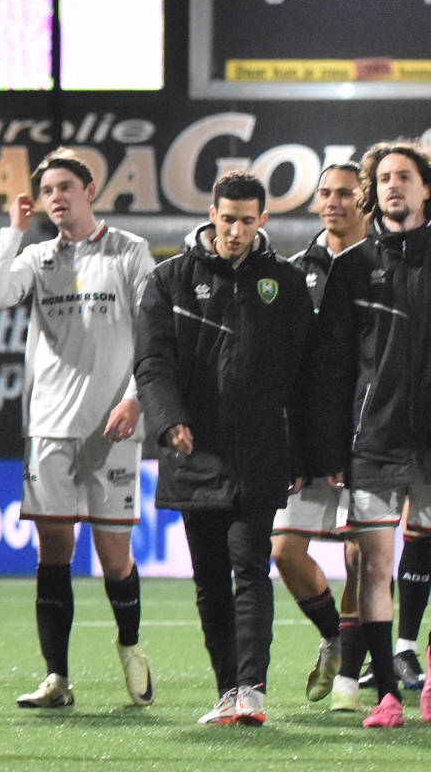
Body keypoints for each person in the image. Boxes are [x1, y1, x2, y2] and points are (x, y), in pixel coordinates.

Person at [0, 148, 157, 710]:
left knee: (114, 555)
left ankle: (129, 646)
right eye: (47, 190)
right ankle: (57, 678)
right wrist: (11, 235)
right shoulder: (37, 257)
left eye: (64, 188)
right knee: (53, 549)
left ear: (89, 190)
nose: (56, 198)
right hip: (50, 426)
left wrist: (134, 400)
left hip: (114, 428)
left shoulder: (129, 251)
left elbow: (154, 335)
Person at [135, 173, 314, 725]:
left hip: (260, 452)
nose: (235, 231)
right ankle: (228, 693)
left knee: (249, 567)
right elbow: (152, 363)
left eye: (246, 220)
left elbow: (304, 375)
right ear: (211, 213)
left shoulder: (284, 282)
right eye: (227, 218)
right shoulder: (169, 281)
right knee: (210, 581)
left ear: (263, 220)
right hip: (195, 453)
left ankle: (251, 690)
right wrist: (169, 422)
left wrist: (304, 453)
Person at [311, 140, 431, 728]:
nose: (392, 186)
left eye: (404, 177)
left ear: (425, 188)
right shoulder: (354, 265)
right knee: (373, 568)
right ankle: (386, 693)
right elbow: (332, 366)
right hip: (373, 439)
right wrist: (331, 446)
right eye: (383, 177)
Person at [275, 164, 369, 710]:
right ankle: (336, 637)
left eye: (345, 194)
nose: (333, 202)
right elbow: (287, 365)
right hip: (307, 441)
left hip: (360, 435)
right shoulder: (293, 272)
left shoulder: (380, 267)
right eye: (326, 193)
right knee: (285, 550)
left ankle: (352, 672)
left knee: (362, 554)